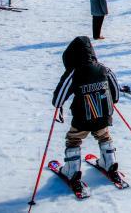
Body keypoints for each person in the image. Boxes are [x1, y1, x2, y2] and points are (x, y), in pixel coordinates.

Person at [52, 36, 121, 191]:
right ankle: (109, 162)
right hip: (103, 114)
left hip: (83, 118)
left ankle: (72, 170)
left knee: (74, 139)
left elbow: (60, 96)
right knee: (104, 135)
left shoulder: (74, 72)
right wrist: (114, 100)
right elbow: (115, 88)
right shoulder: (104, 68)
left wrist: (58, 104)